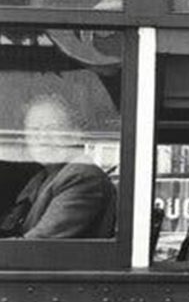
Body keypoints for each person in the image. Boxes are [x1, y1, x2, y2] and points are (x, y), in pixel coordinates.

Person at [0, 93, 115, 239]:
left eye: (52, 128)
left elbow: (36, 245)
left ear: (76, 134)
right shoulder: (40, 178)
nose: (42, 137)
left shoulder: (81, 176)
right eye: (34, 130)